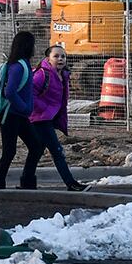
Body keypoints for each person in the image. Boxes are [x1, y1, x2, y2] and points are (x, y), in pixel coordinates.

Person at [24, 44, 87, 191]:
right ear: (48, 58)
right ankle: (71, 183)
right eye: (56, 56)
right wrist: (45, 109)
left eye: (63, 56)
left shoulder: (63, 74)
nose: (60, 59)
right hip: (40, 119)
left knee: (37, 151)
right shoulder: (42, 74)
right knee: (57, 151)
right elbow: (30, 94)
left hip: (48, 118)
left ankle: (26, 182)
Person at [0, 30, 40, 189]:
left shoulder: (22, 64)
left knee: (35, 146)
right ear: (27, 46)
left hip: (18, 115)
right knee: (10, 151)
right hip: (11, 115)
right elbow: (9, 91)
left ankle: (27, 181)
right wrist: (24, 107)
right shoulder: (18, 66)